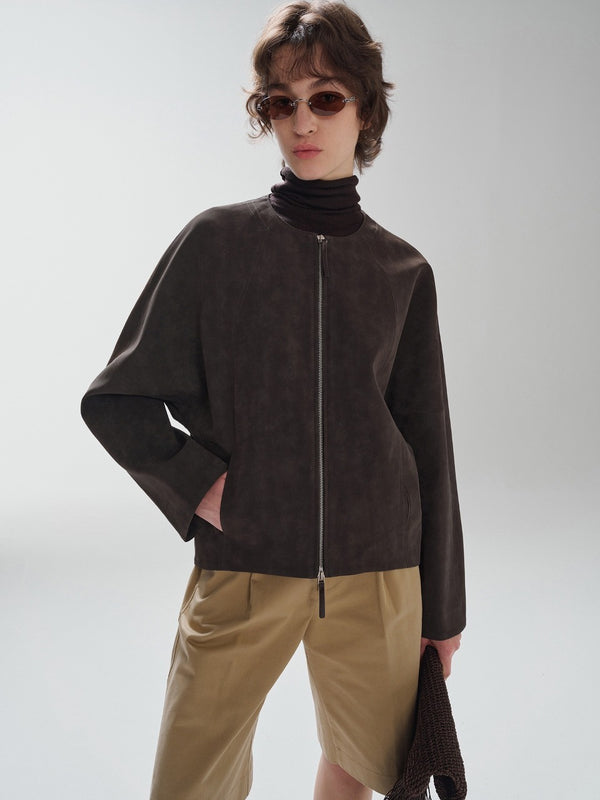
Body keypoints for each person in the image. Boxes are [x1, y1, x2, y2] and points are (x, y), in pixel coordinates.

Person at [80, 2, 466, 798]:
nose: (302, 122)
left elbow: (429, 444)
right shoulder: (216, 245)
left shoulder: (403, 272)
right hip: (245, 563)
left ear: (365, 111)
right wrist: (201, 487)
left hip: (379, 570)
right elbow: (116, 398)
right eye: (281, 102)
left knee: (365, 766)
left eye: (325, 98)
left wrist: (443, 610)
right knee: (189, 781)